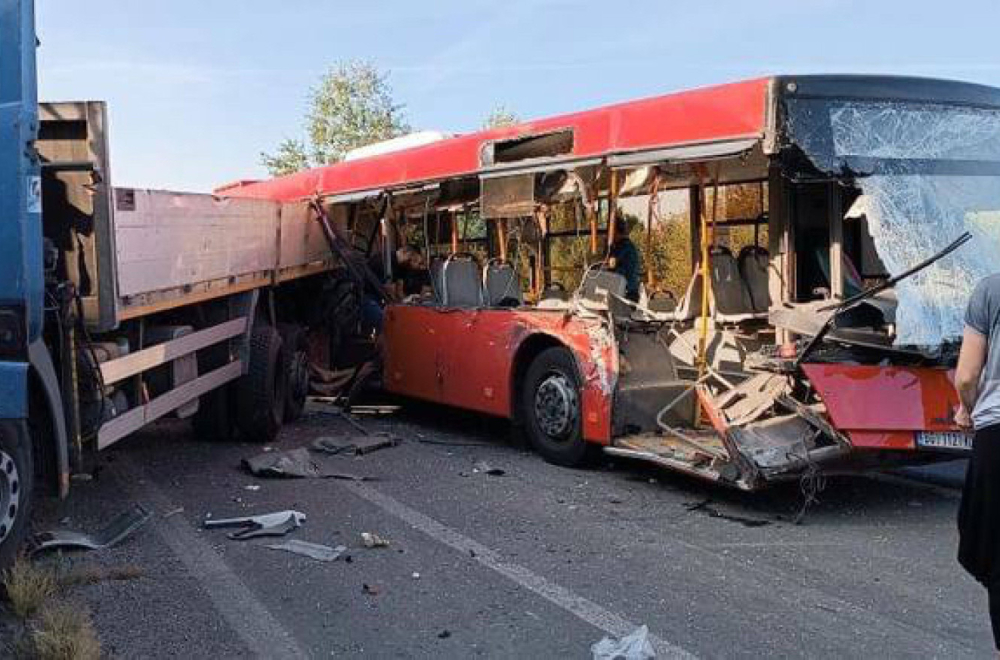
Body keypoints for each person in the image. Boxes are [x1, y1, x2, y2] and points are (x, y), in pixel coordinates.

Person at [955, 272, 1000, 650]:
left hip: (997, 432)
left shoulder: (991, 289)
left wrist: (967, 410)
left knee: (994, 548)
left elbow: (967, 376)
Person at [608, 217, 641, 302]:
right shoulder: (628, 245)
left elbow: (612, 264)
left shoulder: (623, 247)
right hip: (629, 291)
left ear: (614, 232)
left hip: (625, 293)